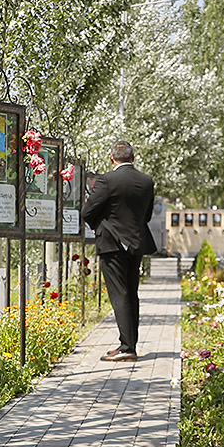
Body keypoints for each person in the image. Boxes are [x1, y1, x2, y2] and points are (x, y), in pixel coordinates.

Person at [82, 141, 157, 362]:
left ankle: (127, 348)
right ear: (133, 158)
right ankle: (128, 344)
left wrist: (99, 225)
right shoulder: (146, 181)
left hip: (112, 244)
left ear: (111, 158)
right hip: (136, 243)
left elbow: (88, 211)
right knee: (131, 293)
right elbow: (147, 215)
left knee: (119, 294)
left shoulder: (106, 180)